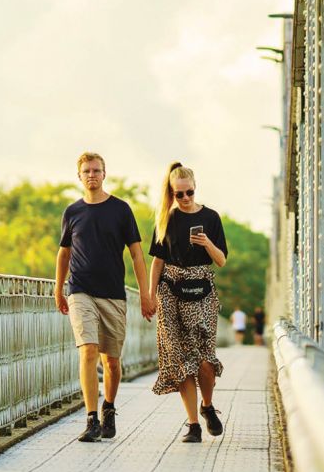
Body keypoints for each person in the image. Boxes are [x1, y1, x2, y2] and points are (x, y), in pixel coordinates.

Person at [56, 152, 149, 443]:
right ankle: (91, 419)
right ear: (79, 177)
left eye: (96, 170)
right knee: (88, 350)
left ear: (104, 174)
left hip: (113, 294)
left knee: (111, 361)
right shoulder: (72, 212)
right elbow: (64, 253)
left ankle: (108, 408)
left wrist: (146, 295)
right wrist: (58, 288)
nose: (92, 175)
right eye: (86, 171)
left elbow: (136, 254)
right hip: (80, 289)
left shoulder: (120, 210)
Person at [143, 161, 230, 443]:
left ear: (195, 188)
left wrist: (207, 243)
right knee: (179, 359)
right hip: (170, 291)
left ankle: (207, 406)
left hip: (202, 291)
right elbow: (158, 261)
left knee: (204, 360)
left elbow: (221, 260)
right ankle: (193, 424)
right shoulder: (165, 219)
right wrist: (150, 295)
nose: (185, 199)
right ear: (171, 193)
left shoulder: (212, 217)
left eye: (188, 193)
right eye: (178, 194)